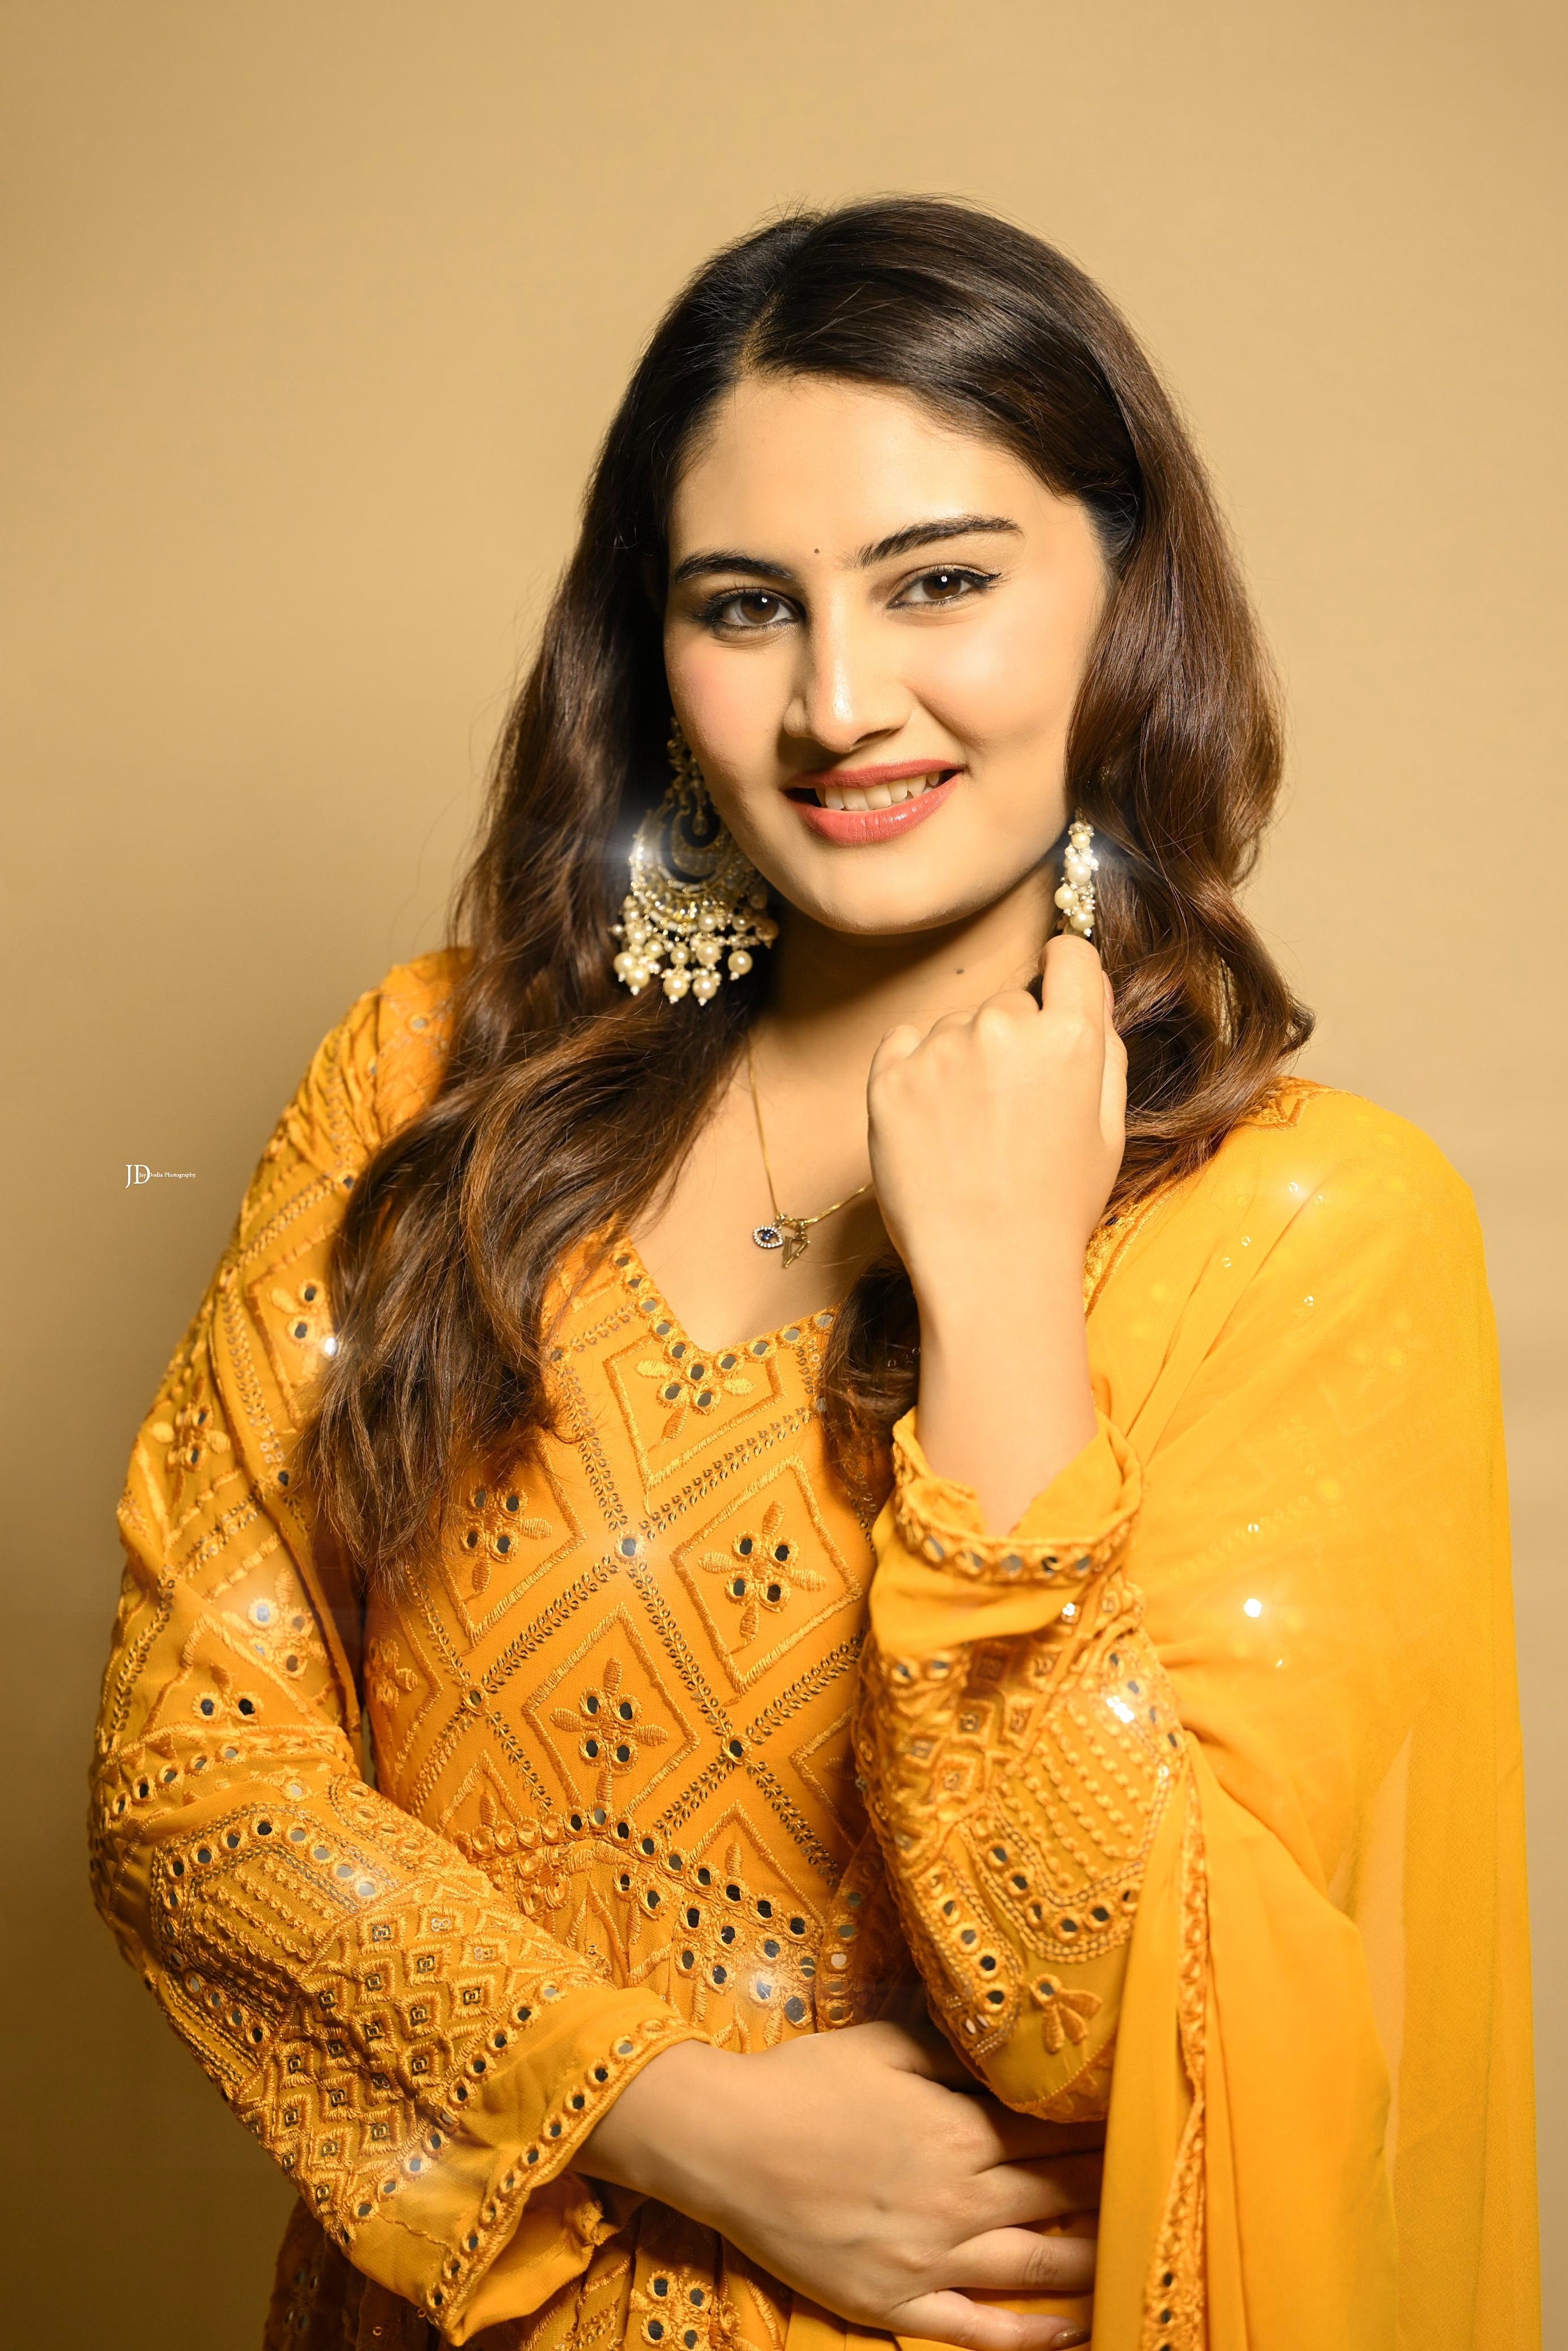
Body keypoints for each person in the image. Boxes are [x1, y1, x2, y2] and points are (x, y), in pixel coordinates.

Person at [89, 198, 1538, 2351]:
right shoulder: (426, 1086)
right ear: (650, 655)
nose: (842, 704)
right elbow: (187, 1787)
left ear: (1127, 597)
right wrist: (677, 2121)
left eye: (939, 582)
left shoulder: (1312, 1227)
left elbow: (1085, 2016)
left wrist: (1002, 1312)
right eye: (743, 607)